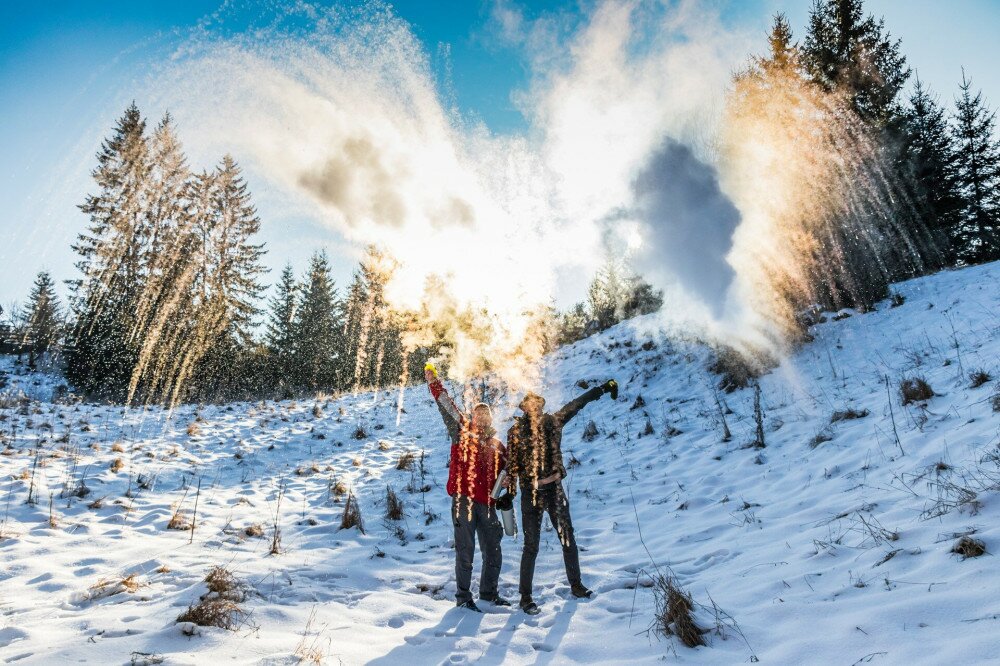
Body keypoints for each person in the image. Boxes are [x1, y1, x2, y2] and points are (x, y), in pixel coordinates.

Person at [505, 379, 618, 615]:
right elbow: (512, 467)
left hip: (555, 491)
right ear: (523, 408)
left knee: (568, 539)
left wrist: (602, 389)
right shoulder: (515, 432)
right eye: (529, 403)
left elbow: (577, 404)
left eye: (537, 402)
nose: (534, 406)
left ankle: (576, 586)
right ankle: (525, 598)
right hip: (531, 494)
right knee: (531, 546)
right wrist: (509, 494)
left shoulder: (553, 421)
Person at [425, 363, 509, 612]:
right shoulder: (461, 431)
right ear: (473, 417)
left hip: (490, 504)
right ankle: (463, 598)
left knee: (493, 551)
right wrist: (433, 382)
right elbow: (446, 404)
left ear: (492, 418)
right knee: (466, 551)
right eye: (478, 413)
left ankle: (489, 594)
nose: (482, 417)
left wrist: (507, 483)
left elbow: (508, 473)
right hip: (465, 502)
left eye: (487, 413)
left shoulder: (498, 446)